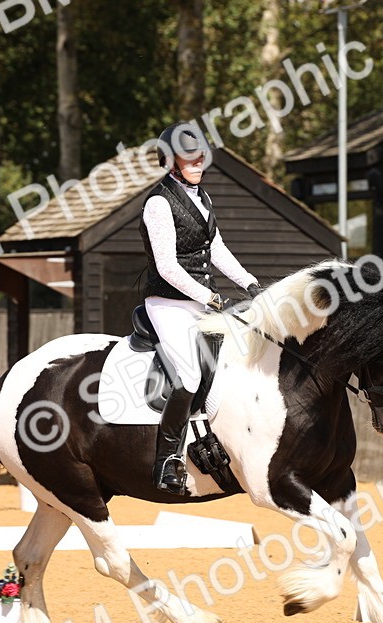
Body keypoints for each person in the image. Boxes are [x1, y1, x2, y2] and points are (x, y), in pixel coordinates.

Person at [140, 122, 262, 495]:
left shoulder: (202, 198)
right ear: (171, 161)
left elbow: (217, 249)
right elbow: (167, 266)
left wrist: (250, 283)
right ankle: (167, 460)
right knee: (191, 376)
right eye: (188, 157)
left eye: (200, 156)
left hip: (201, 303)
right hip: (168, 303)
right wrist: (209, 297)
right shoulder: (159, 203)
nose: (197, 162)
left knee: (230, 372)